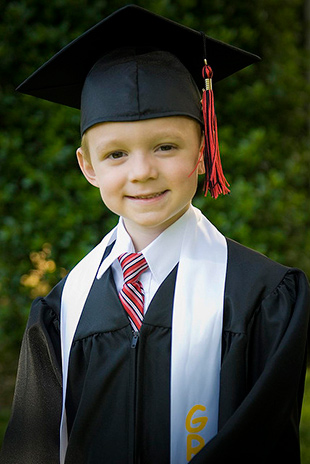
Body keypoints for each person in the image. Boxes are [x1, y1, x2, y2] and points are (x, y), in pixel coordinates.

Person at [1, 5, 309, 464]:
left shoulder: (263, 297)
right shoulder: (61, 309)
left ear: (203, 152)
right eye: (116, 154)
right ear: (87, 167)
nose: (143, 172)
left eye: (166, 147)